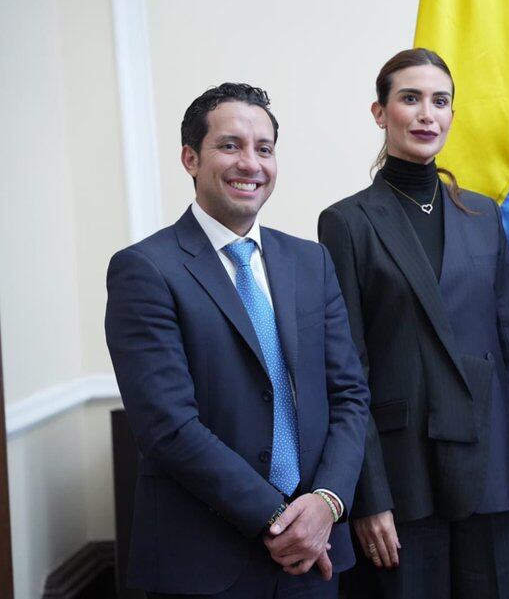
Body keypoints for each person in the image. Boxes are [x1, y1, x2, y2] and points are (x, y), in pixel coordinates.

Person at [105, 83, 371, 598]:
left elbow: (349, 396)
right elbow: (167, 427)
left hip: (314, 558)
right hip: (205, 561)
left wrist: (326, 504)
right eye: (230, 145)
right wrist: (280, 520)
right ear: (190, 158)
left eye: (264, 148)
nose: (250, 163)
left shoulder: (310, 262)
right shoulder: (145, 269)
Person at [317, 48, 509, 599]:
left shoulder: (482, 213)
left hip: (489, 464)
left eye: (440, 101)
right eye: (410, 98)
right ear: (380, 113)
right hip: (403, 475)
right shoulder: (346, 222)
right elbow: (348, 370)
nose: (427, 113)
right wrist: (368, 493)